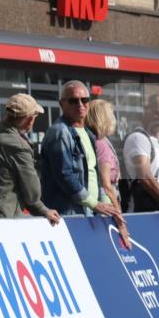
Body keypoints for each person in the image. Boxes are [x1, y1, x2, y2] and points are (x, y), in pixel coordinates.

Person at [0, 94, 61, 225]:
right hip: (1, 219)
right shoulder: (18, 146)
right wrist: (44, 210)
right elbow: (33, 195)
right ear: (30, 120)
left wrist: (43, 210)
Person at [40, 80, 122, 220]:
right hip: (67, 214)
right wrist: (94, 204)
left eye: (84, 100)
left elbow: (94, 173)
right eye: (73, 101)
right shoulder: (60, 132)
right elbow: (65, 175)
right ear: (62, 104)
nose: (80, 104)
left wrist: (105, 203)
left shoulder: (88, 134)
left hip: (87, 211)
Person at [86, 98, 131, 244]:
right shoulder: (102, 145)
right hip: (105, 206)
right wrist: (120, 219)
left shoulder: (93, 140)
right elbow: (106, 184)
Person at [122, 93, 159, 212]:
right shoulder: (139, 138)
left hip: (158, 213)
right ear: (145, 112)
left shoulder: (154, 140)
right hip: (144, 215)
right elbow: (145, 177)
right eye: (158, 113)